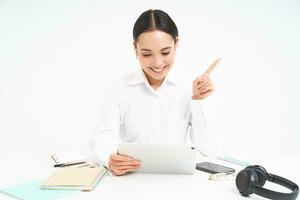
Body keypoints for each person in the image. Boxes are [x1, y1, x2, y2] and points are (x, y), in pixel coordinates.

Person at [92, 9, 218, 176]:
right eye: (146, 54)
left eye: (165, 52)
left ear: (176, 44)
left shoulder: (189, 87)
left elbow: (208, 149)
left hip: (176, 180)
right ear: (135, 48)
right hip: (131, 178)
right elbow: (104, 137)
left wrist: (198, 100)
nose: (158, 63)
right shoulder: (118, 87)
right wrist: (109, 158)